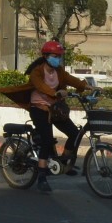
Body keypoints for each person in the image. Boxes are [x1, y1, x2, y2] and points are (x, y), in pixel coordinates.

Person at [20, 40, 93, 194]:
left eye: (59, 56)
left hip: (55, 110)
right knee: (47, 140)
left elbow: (71, 79)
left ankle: (64, 163)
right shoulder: (37, 71)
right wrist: (55, 93)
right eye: (54, 56)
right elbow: (41, 86)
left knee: (74, 133)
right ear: (46, 56)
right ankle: (41, 176)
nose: (57, 59)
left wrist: (87, 87)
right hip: (39, 109)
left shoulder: (58, 71)